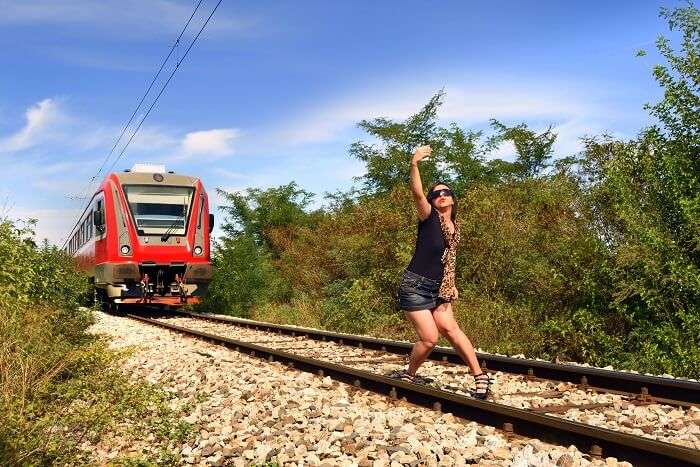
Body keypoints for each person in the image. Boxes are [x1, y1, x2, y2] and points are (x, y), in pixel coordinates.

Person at [392, 145, 491, 399]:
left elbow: (449, 259)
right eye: (436, 194)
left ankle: (480, 376)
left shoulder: (455, 228)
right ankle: (410, 374)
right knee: (430, 338)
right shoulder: (429, 218)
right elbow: (416, 194)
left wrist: (451, 284)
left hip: (439, 287)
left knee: (451, 328)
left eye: (446, 192)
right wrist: (414, 164)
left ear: (453, 198)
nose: (441, 196)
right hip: (414, 286)